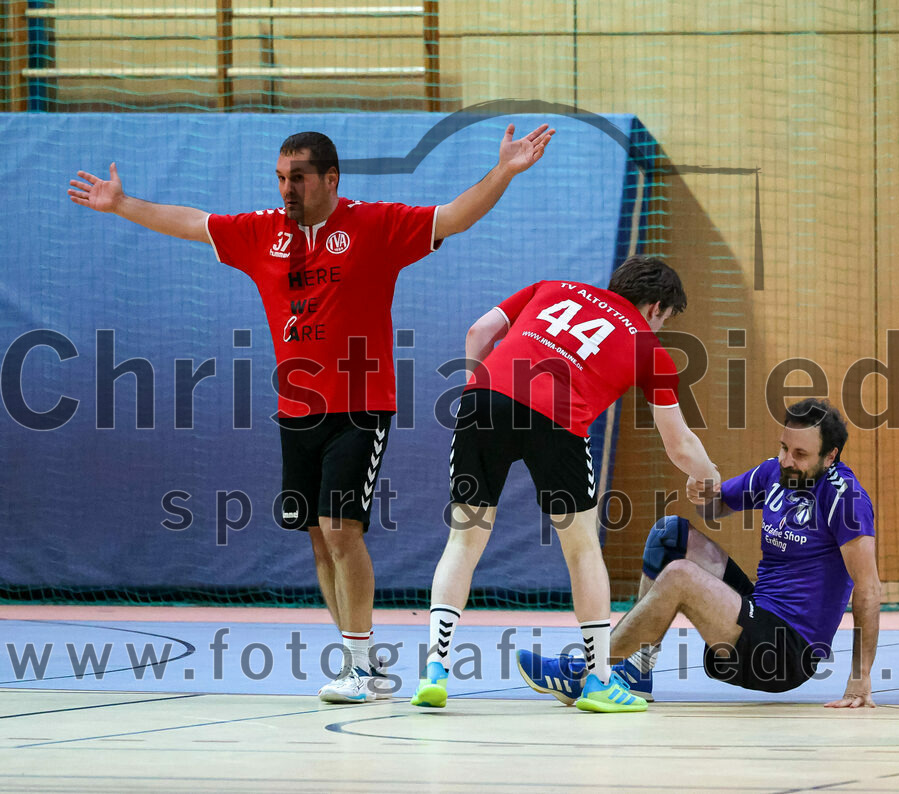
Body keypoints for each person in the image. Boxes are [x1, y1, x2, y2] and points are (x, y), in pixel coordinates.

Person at [68, 123, 555, 704]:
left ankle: (359, 667)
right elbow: (193, 222)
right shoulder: (262, 233)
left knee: (341, 528)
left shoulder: (375, 226)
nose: (286, 189)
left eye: (297, 178)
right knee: (319, 539)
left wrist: (503, 171)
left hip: (362, 405)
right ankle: (362, 662)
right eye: (280, 178)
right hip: (296, 409)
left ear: (330, 179)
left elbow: (453, 216)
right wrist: (121, 204)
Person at [410, 255, 720, 713]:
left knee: (464, 540)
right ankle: (598, 682)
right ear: (655, 307)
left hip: (484, 401)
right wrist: (708, 475)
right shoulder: (647, 345)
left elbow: (478, 332)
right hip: (556, 419)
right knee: (581, 549)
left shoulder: (551, 286)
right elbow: (679, 444)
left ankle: (434, 670)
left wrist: (482, 389)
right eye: (665, 319)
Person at [518, 398, 881, 708]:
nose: (787, 460)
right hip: (758, 613)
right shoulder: (775, 473)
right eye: (784, 447)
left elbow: (868, 588)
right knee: (670, 534)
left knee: (680, 577)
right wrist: (703, 491)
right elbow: (716, 507)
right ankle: (635, 671)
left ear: (830, 456)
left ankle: (587, 671)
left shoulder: (846, 499)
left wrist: (860, 677)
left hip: (785, 652)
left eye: (800, 454)